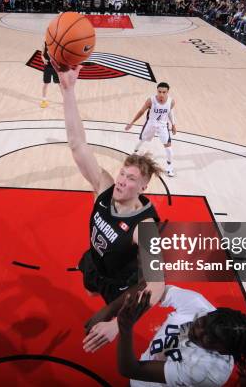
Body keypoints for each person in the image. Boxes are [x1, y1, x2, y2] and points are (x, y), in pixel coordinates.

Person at [53, 62, 165, 351]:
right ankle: (94, 287)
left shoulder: (146, 227)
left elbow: (157, 285)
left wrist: (118, 325)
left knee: (107, 311)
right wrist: (68, 91)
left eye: (131, 179)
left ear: (143, 187)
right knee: (90, 286)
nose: (121, 181)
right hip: (95, 262)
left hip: (119, 283)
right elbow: (78, 145)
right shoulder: (104, 188)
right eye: (122, 174)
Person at [116, 288, 246, 386]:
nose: (198, 332)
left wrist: (125, 328)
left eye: (209, 338)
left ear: (223, 351)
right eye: (202, 322)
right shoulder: (198, 305)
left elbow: (130, 369)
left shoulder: (208, 371)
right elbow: (157, 288)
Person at [125, 83, 177, 177]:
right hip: (150, 124)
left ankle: (170, 168)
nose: (161, 94)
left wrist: (173, 125)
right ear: (157, 91)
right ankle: (134, 152)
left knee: (169, 148)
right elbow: (141, 111)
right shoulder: (151, 100)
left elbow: (170, 113)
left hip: (163, 126)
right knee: (142, 140)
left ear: (167, 92)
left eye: (164, 92)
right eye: (159, 92)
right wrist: (131, 122)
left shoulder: (171, 102)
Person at [40, 42, 59, 108]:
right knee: (46, 84)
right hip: (47, 67)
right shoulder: (44, 44)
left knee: (60, 85)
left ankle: (66, 101)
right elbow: (42, 55)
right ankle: (44, 100)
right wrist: (44, 60)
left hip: (56, 67)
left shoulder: (58, 44)